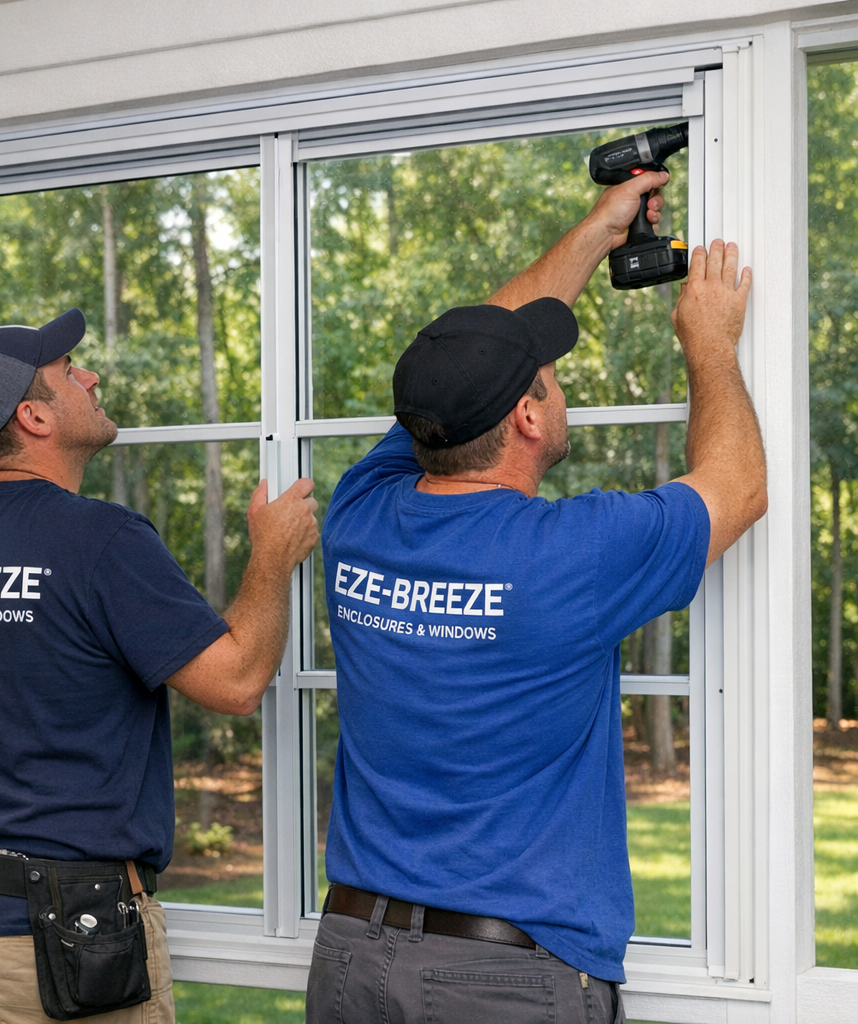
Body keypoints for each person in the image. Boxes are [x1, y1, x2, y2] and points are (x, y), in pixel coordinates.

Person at [306, 171, 766, 1024]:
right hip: (501, 982)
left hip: (351, 956)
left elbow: (458, 362)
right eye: (549, 378)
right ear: (525, 417)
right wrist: (709, 339)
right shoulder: (568, 554)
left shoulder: (362, 511)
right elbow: (736, 488)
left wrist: (601, 227)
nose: (558, 386)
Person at [0, 308, 318, 1024]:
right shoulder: (102, 540)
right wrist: (272, 556)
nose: (90, 375)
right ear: (33, 417)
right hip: (59, 947)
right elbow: (238, 680)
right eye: (69, 372)